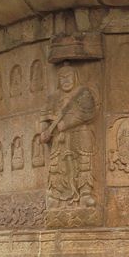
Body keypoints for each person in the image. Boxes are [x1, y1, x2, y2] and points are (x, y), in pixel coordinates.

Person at [41, 64, 96, 208]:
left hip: (80, 133)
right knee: (57, 164)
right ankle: (55, 196)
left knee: (84, 160)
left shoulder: (83, 93)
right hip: (60, 137)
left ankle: (85, 193)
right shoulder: (53, 98)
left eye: (69, 77)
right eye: (62, 78)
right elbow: (45, 118)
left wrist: (66, 124)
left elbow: (88, 113)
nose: (66, 81)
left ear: (75, 77)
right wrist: (44, 132)